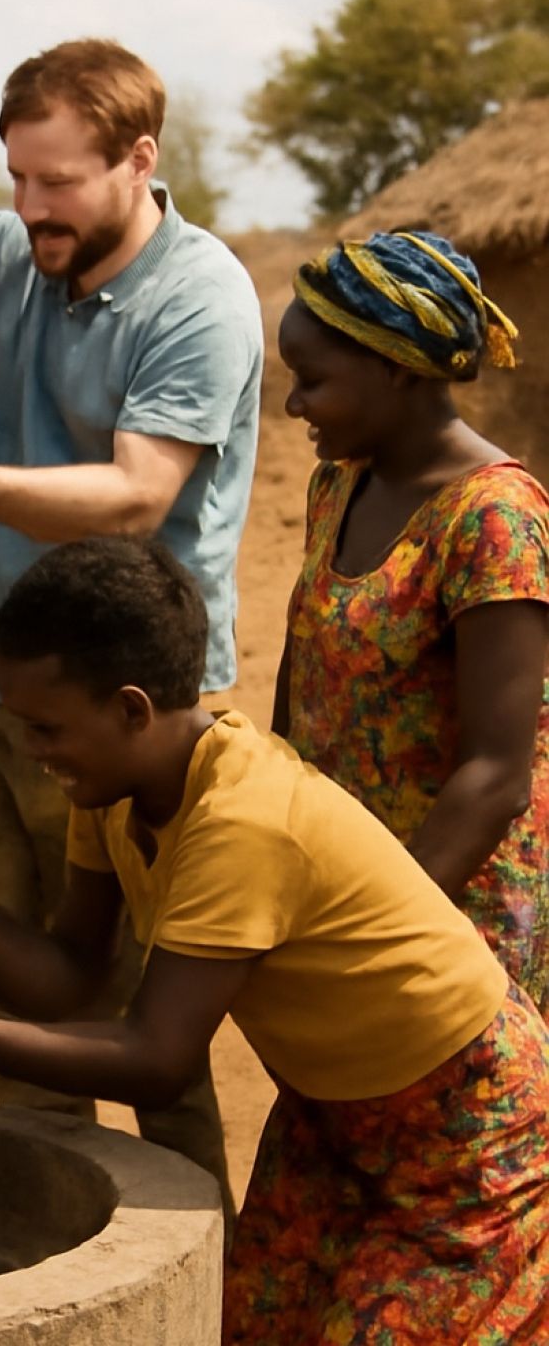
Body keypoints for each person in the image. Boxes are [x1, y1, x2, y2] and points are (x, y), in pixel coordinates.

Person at [0, 536, 549, 1342]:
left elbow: (155, 1061)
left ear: (131, 709)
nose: (34, 753)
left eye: (45, 729)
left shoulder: (242, 821)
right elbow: (69, 979)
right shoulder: (118, 788)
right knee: (252, 1329)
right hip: (331, 1120)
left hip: (470, 1134)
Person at [0, 36, 261, 1198]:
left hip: (127, 711)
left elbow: (139, 493)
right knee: (2, 988)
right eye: (15, 178)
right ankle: (53, 1235)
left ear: (138, 160)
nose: (30, 205)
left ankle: (185, 1253)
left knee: (139, 1018)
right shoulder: (23, 256)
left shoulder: (197, 297)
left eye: (57, 181)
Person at [273, 229, 549, 1013]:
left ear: (395, 367)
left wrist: (375, 933)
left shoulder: (493, 518)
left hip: (447, 922)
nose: (293, 405)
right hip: (339, 889)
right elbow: (303, 674)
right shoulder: (337, 485)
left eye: (312, 381)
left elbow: (496, 776)